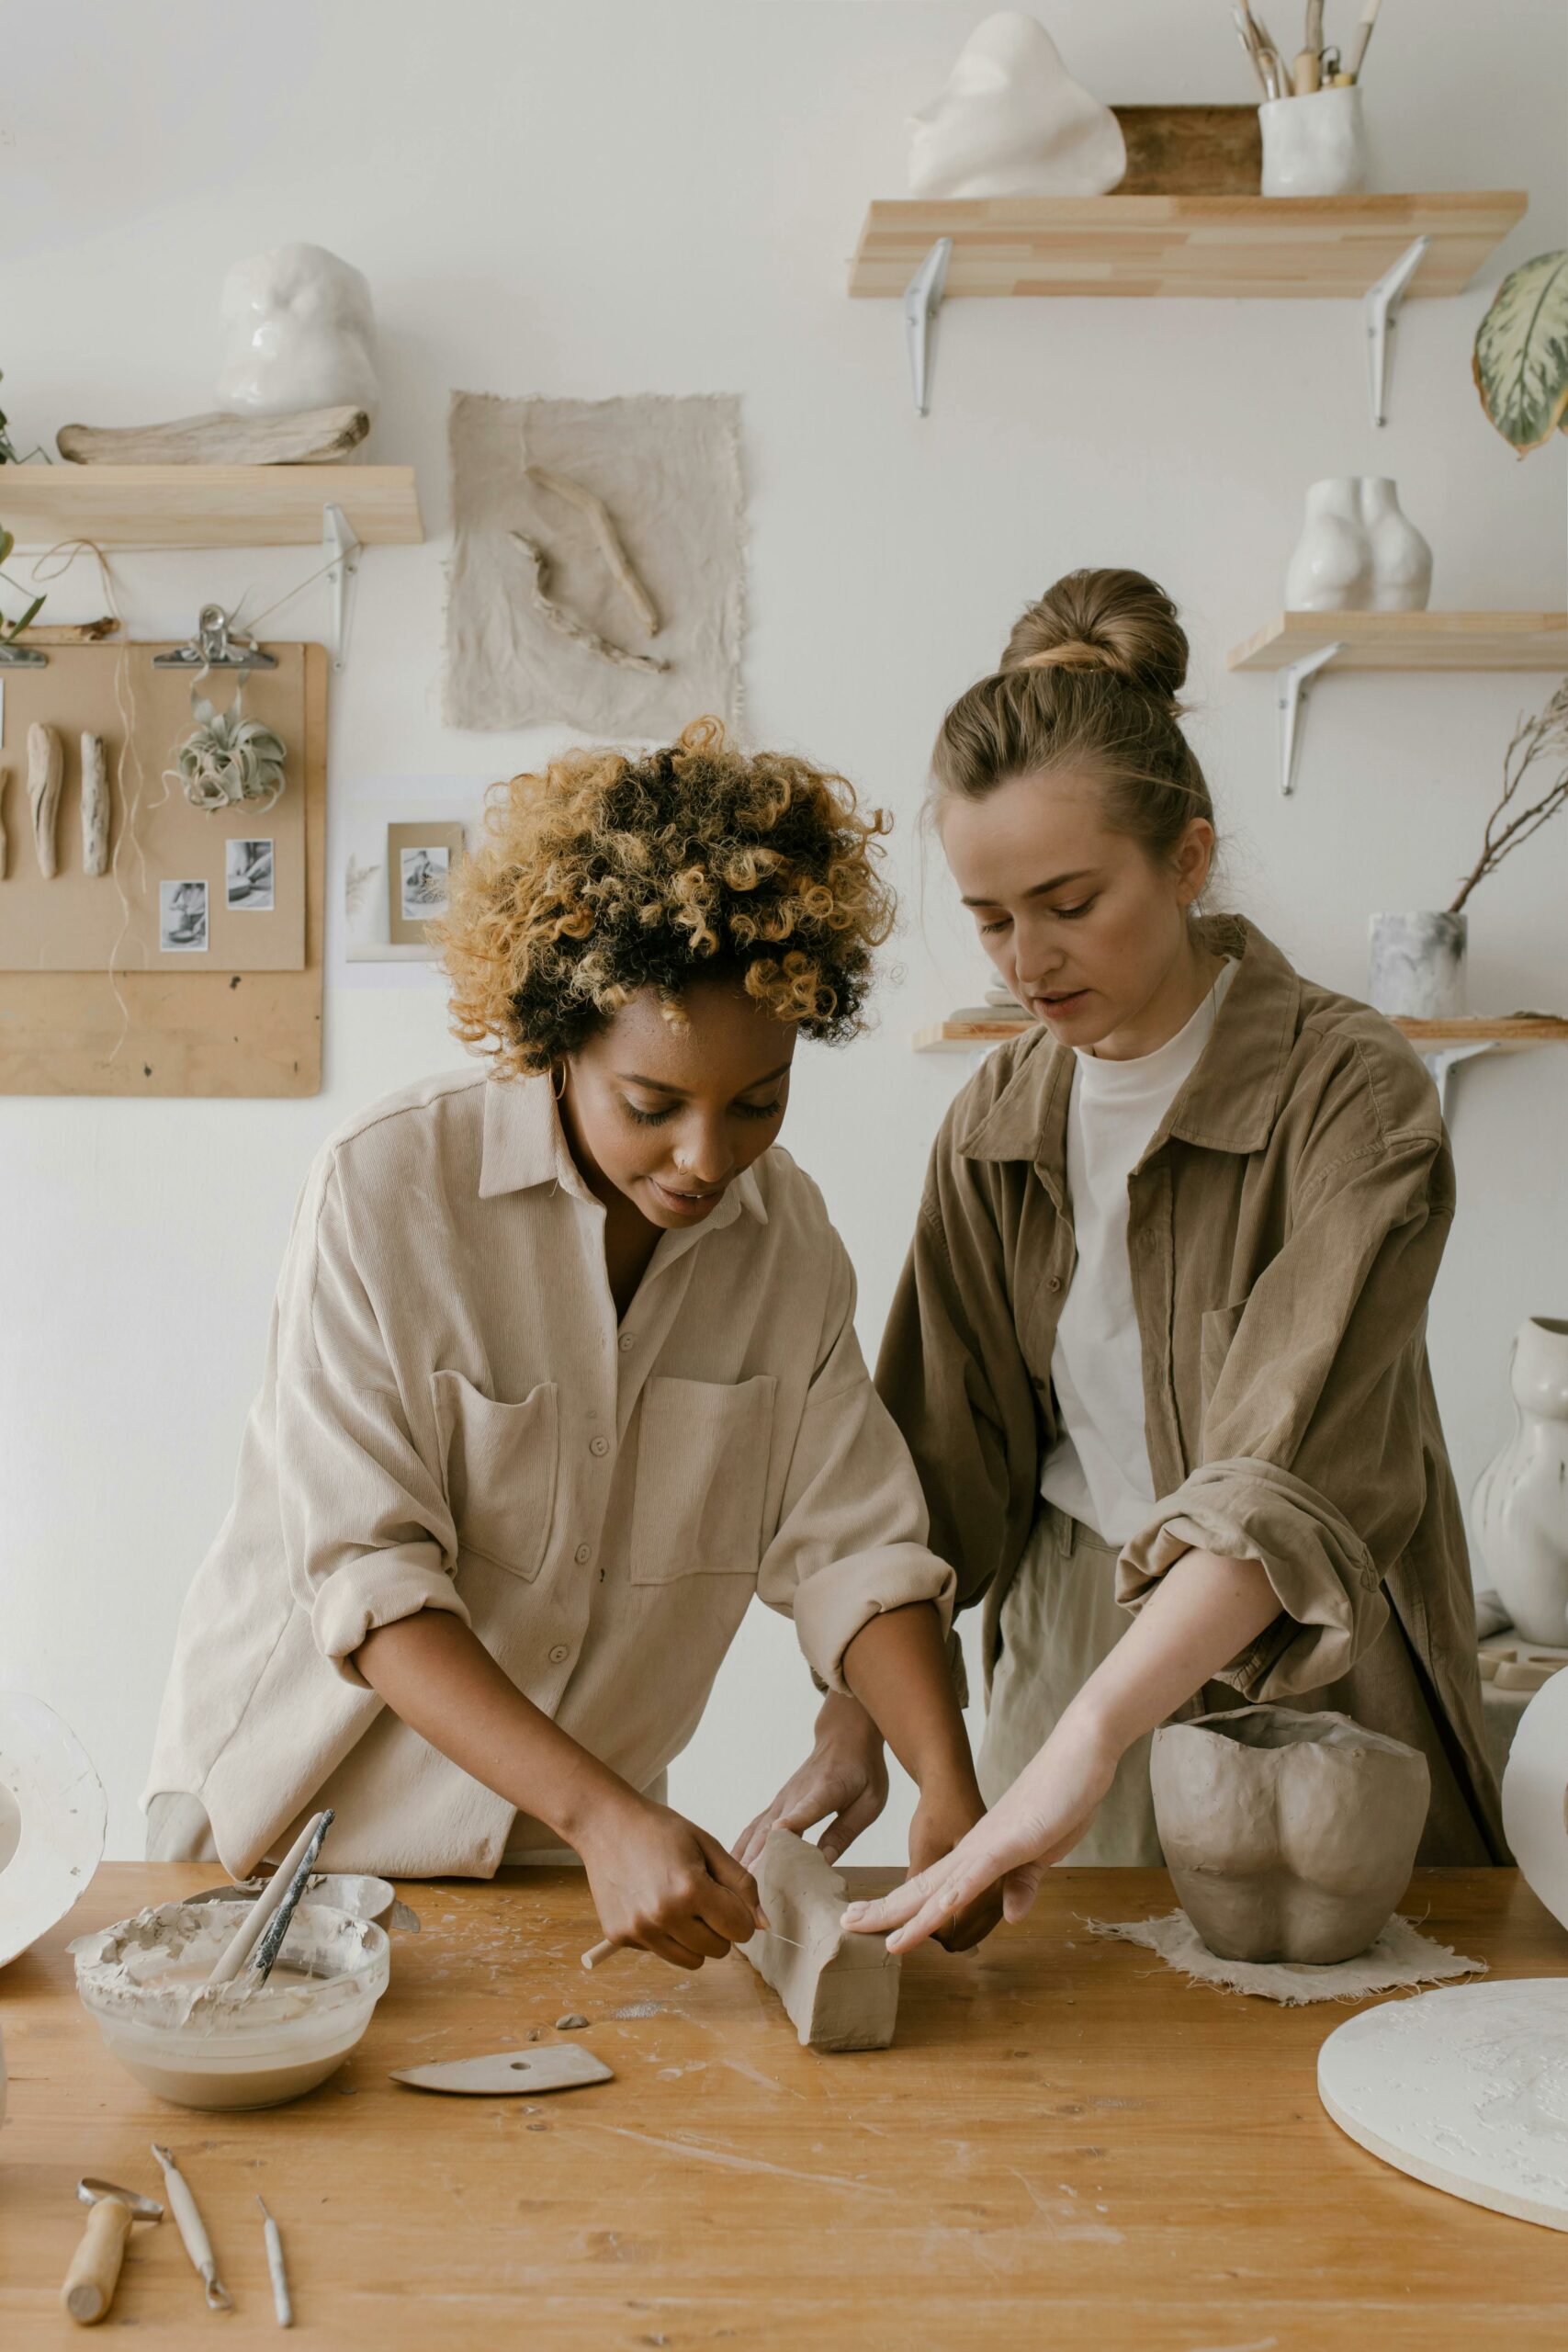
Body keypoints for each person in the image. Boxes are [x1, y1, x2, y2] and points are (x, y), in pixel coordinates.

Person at [144, 719, 998, 1967]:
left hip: (571, 1876)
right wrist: (605, 1813)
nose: (708, 1160)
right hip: (289, 1851)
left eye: (759, 1102)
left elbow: (853, 1549)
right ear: (556, 1040)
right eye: (652, 1105)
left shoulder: (789, 1243)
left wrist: (948, 1788)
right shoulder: (386, 1193)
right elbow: (370, 1584)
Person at [744, 569, 1504, 1955]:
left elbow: (1289, 1471)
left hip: (1311, 1662)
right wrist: (863, 1726)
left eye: (1069, 901)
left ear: (1189, 861)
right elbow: (930, 1471)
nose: (1026, 961)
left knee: (1331, 2062)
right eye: (987, 918)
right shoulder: (996, 1122)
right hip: (1068, 1640)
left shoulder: (1353, 1094)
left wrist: (1097, 1737)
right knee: (1073, 2069)